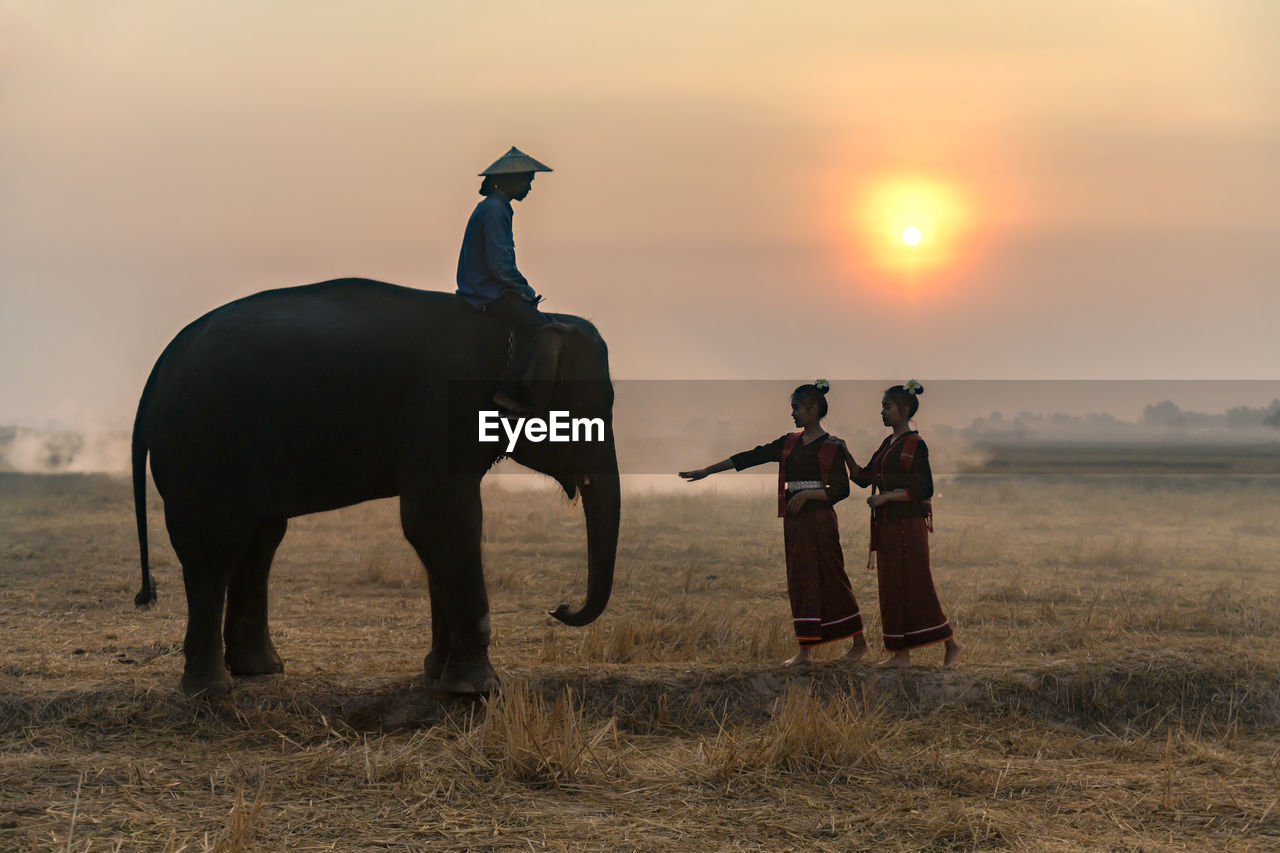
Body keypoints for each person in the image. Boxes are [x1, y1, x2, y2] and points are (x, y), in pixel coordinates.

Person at [679, 381, 869, 667]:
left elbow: (841, 490)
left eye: (796, 408)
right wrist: (708, 470)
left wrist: (806, 495)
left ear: (813, 409)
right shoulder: (788, 443)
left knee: (832, 575)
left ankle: (859, 644)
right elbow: (750, 456)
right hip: (796, 522)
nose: (792, 414)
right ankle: (805, 651)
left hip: (820, 520)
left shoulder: (833, 447)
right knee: (799, 578)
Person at [837, 380, 964, 668]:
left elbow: (925, 488)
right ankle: (900, 655)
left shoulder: (916, 445)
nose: (882, 412)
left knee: (916, 585)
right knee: (892, 587)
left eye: (887, 407)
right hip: (889, 526)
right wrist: (844, 452)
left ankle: (952, 643)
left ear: (903, 409)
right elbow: (863, 478)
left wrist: (887, 499)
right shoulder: (888, 444)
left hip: (908, 525)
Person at [456, 146, 558, 414]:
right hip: (487, 292)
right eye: (528, 181)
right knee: (540, 329)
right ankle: (508, 391)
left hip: (489, 288)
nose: (529, 188)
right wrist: (524, 289)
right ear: (512, 181)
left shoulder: (495, 207)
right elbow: (500, 265)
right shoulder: (494, 210)